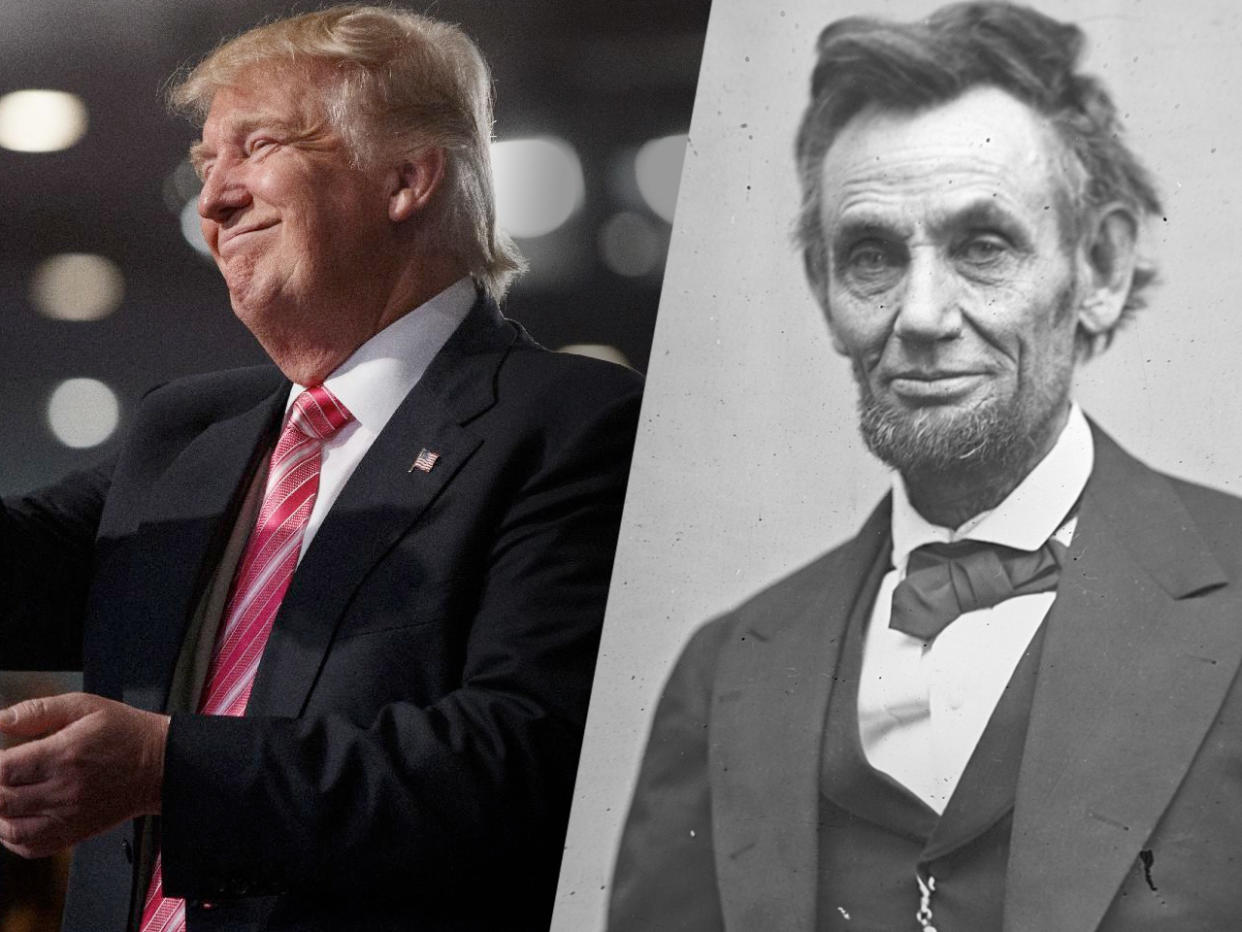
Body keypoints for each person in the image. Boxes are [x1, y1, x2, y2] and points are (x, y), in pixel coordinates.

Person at [0, 6, 641, 931]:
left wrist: (163, 770)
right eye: (204, 164)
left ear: (406, 179)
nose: (212, 200)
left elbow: (522, 759)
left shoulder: (570, 425)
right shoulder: (187, 435)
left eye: (254, 147)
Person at [610, 3, 1242, 930]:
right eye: (871, 256)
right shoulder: (727, 670)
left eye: (983, 246)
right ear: (826, 293)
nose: (922, 314)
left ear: (1099, 269)